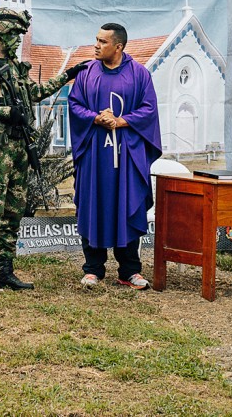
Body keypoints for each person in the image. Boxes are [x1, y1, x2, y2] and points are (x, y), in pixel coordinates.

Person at [0, 8, 88, 296]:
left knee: (13, 212)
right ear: (0, 35)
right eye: (13, 35)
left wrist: (68, 75)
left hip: (18, 150)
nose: (18, 40)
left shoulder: (16, 68)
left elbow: (35, 93)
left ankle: (3, 272)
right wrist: (7, 112)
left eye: (19, 35)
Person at [67, 23, 162, 289]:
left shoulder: (139, 75)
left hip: (127, 153)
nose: (96, 45)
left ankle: (130, 270)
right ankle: (93, 269)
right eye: (95, 40)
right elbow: (74, 104)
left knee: (128, 204)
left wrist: (121, 121)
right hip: (95, 152)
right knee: (92, 204)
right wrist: (95, 117)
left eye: (102, 42)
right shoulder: (86, 73)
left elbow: (149, 109)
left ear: (118, 46)